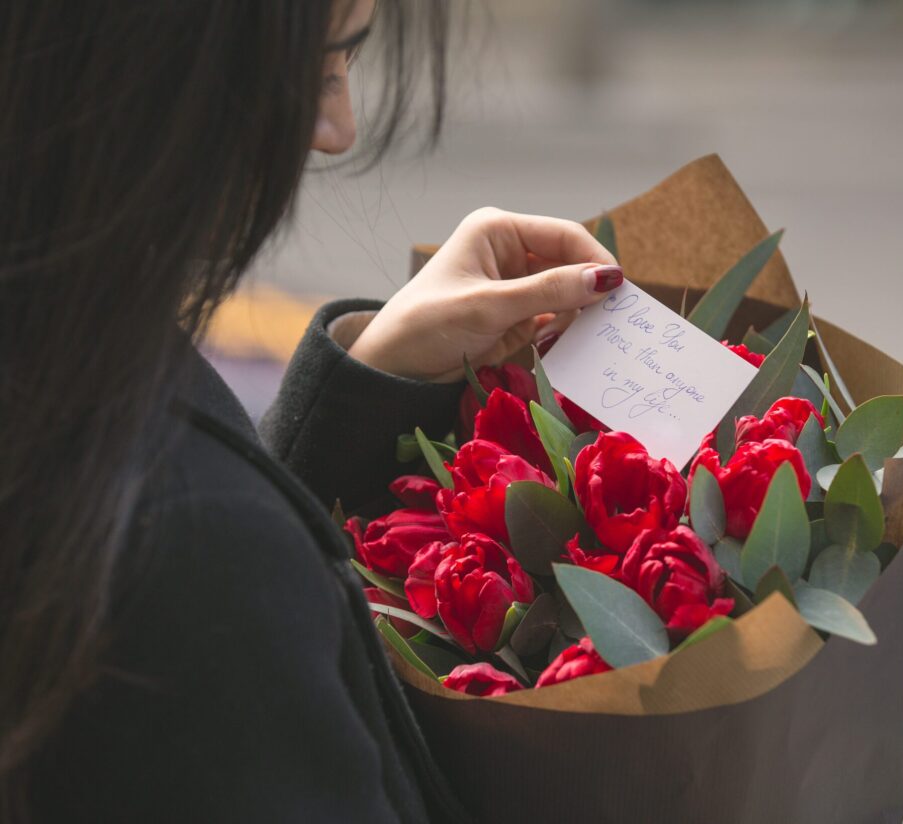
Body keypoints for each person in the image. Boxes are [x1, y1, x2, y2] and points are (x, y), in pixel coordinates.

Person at [0, 0, 622, 822]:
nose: (339, 128)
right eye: (321, 67)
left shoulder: (58, 355)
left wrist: (366, 390)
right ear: (150, 63)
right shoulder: (185, 548)